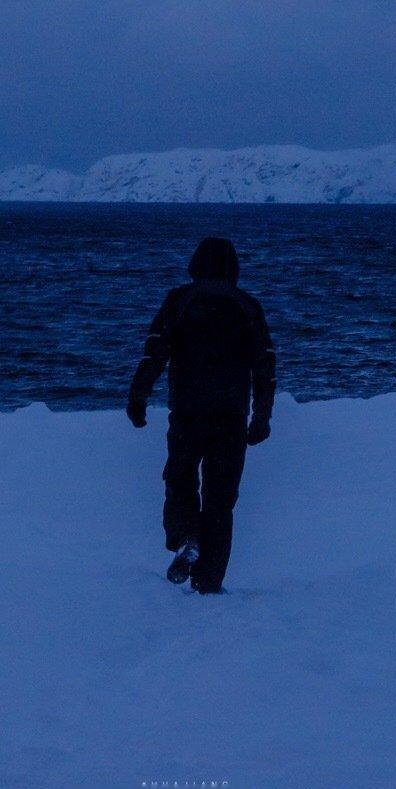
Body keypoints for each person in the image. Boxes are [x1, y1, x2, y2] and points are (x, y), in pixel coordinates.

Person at [125, 235, 276, 594]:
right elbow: (265, 366)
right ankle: (208, 582)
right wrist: (262, 417)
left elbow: (154, 353)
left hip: (188, 414)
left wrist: (138, 397)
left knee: (179, 481)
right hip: (230, 417)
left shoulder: (180, 301)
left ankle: (185, 536)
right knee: (220, 500)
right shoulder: (247, 307)